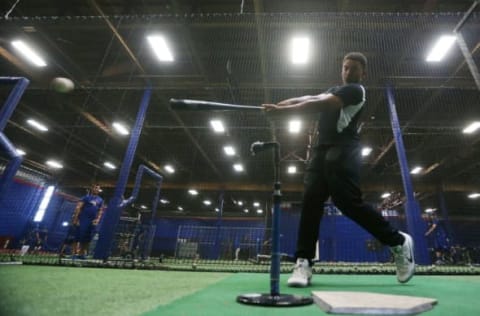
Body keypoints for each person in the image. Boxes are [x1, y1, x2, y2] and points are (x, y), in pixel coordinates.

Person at [262, 52, 415, 287]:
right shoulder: (334, 88)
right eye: (345, 67)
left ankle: (397, 242)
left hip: (343, 150)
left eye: (353, 68)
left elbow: (321, 104)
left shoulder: (356, 91)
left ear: (363, 73)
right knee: (311, 200)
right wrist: (279, 106)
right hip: (321, 151)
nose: (348, 72)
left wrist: (283, 112)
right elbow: (308, 96)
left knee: (348, 203)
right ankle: (303, 261)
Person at [71, 184, 104, 259]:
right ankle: (73, 254)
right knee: (77, 237)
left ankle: (81, 254)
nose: (96, 189)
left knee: (87, 238)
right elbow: (78, 208)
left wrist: (97, 220)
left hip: (91, 222)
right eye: (95, 188)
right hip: (82, 219)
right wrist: (76, 219)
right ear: (92, 189)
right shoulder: (86, 197)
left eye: (98, 188)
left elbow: (100, 211)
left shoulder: (100, 200)